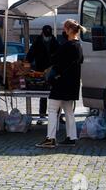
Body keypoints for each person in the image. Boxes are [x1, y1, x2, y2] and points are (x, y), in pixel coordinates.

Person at [36, 19, 85, 148]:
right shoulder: (78, 46)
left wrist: (53, 77)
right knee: (69, 111)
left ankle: (50, 138)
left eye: (64, 29)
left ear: (69, 30)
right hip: (72, 85)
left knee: (52, 109)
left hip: (61, 84)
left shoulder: (67, 46)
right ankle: (72, 137)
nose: (63, 31)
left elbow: (56, 62)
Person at [26, 25, 59, 122]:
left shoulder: (54, 41)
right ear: (43, 32)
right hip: (40, 70)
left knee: (55, 93)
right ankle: (42, 115)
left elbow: (59, 53)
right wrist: (27, 62)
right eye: (46, 34)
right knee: (43, 93)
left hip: (52, 70)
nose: (47, 36)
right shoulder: (38, 41)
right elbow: (31, 53)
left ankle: (57, 115)